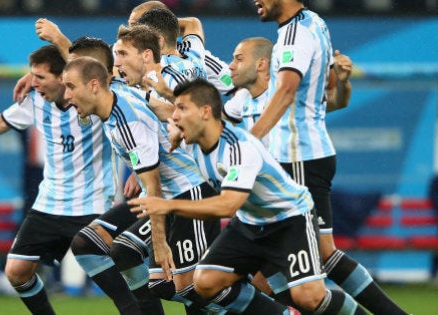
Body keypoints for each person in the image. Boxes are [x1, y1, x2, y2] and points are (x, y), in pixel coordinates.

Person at [128, 79, 368, 314]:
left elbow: (228, 205)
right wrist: (156, 96)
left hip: (289, 220)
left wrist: (166, 206)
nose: (176, 116)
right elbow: (167, 117)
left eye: (182, 109)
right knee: (205, 281)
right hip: (252, 224)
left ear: (205, 112)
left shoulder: (237, 146)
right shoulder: (196, 143)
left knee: (309, 297)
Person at [0, 44, 117, 315]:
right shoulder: (35, 102)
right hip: (50, 203)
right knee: (17, 271)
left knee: (118, 273)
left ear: (62, 77)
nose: (33, 82)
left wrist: (57, 37)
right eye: (31, 75)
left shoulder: (94, 100)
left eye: (40, 77)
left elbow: (101, 66)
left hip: (91, 204)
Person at [251, 1, 407, 314]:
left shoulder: (295, 35)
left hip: (297, 158)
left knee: (293, 262)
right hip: (307, 155)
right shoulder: (315, 24)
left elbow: (286, 92)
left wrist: (249, 142)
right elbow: (330, 92)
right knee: (273, 264)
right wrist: (344, 81)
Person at [64, 57, 221, 314]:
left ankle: (261, 305)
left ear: (93, 85)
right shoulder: (115, 103)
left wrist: (159, 242)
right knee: (162, 284)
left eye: (71, 87)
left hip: (189, 193)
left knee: (194, 288)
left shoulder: (128, 120)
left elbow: (154, 184)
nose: (67, 95)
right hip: (170, 197)